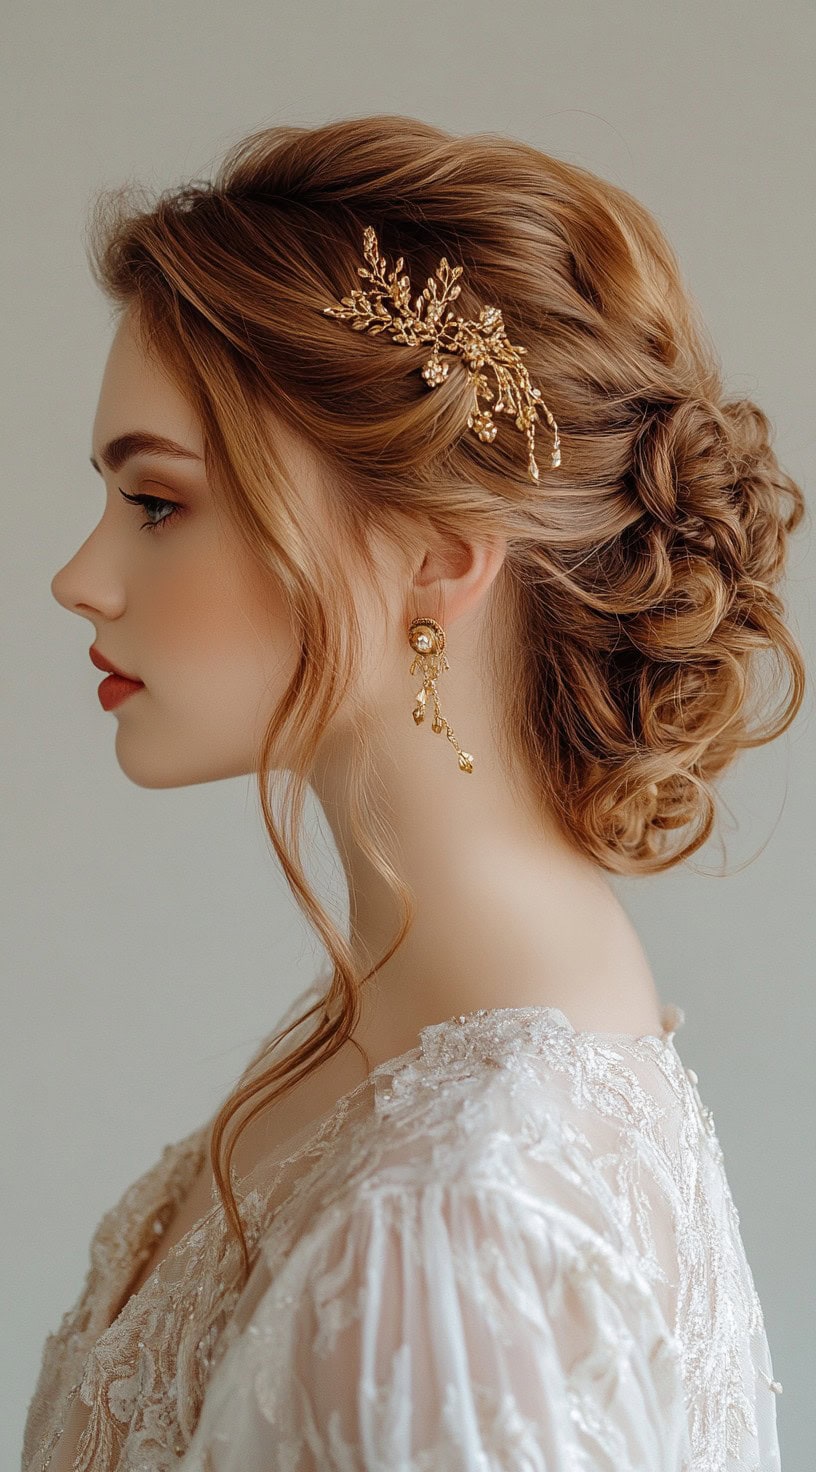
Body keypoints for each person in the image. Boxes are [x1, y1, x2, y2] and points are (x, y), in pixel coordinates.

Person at [25, 113, 803, 1471]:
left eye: (157, 504)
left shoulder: (452, 1241)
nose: (79, 580)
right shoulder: (427, 1049)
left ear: (440, 562)